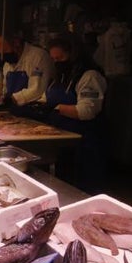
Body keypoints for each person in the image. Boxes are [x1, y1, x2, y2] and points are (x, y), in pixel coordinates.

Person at [41, 35, 109, 193]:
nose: (57, 62)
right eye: (54, 59)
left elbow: (86, 111)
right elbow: (47, 97)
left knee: (82, 189)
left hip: (86, 143)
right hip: (62, 141)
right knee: (63, 184)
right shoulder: (61, 75)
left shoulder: (90, 75)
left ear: (73, 54)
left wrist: (56, 108)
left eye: (60, 58)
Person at [0, 32, 54, 110]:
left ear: (16, 43)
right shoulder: (7, 64)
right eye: (0, 54)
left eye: (5, 52)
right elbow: (2, 86)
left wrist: (12, 99)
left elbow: (37, 90)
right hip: (13, 113)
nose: (3, 57)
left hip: (35, 112)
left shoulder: (38, 57)